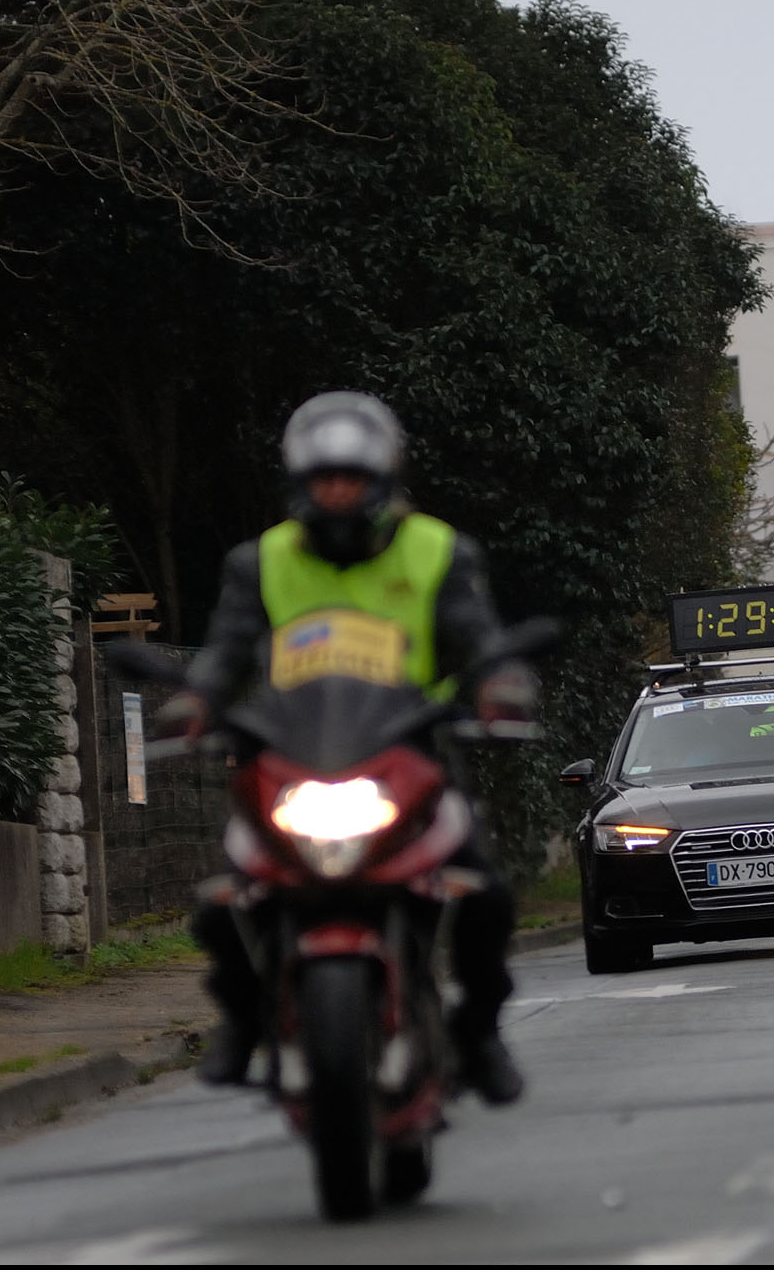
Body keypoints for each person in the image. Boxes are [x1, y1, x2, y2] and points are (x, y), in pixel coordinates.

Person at [160, 391, 535, 1104]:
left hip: (412, 758)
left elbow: (478, 639)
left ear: (382, 479)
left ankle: (480, 1031)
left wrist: (501, 685)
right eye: (324, 478)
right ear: (300, 484)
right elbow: (225, 650)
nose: (338, 492)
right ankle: (241, 1022)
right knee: (223, 900)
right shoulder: (260, 560)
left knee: (485, 893)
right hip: (293, 763)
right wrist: (194, 701)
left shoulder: (437, 551)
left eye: (351, 478)